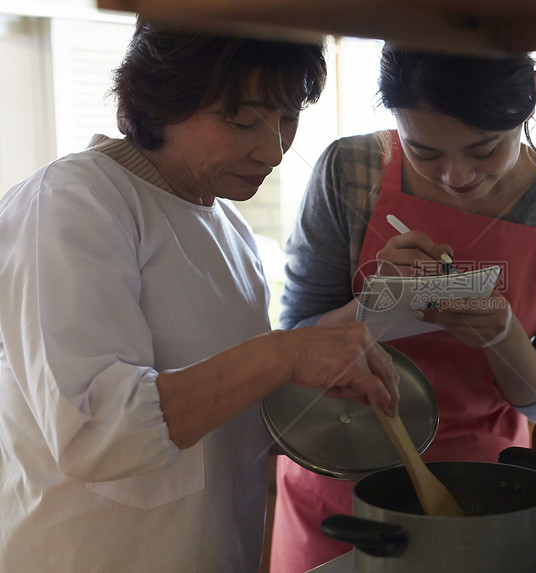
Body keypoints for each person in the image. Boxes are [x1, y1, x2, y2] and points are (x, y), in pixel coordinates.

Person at [0, 21, 399, 573]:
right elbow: (94, 431)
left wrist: (312, 395)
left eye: (288, 118)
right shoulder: (72, 202)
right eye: (242, 121)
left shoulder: (228, 228)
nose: (274, 150)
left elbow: (220, 416)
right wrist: (284, 353)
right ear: (162, 100)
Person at [270, 45, 536, 571]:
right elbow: (292, 343)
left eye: (484, 151)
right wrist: (377, 302)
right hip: (339, 476)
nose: (456, 176)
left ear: (527, 105)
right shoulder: (350, 173)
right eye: (424, 152)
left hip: (484, 495)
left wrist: (502, 336)